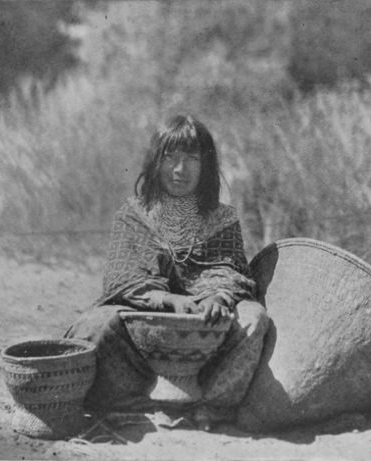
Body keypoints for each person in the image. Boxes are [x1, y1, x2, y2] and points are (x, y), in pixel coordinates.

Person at [65, 114, 269, 430]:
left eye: (191, 158)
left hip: (207, 332)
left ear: (206, 165)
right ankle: (132, 403)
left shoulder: (224, 218)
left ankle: (213, 407)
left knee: (254, 318)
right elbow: (122, 278)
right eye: (170, 156)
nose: (179, 169)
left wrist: (219, 295)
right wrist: (166, 300)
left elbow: (232, 271)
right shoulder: (133, 215)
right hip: (143, 334)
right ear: (155, 161)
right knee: (94, 325)